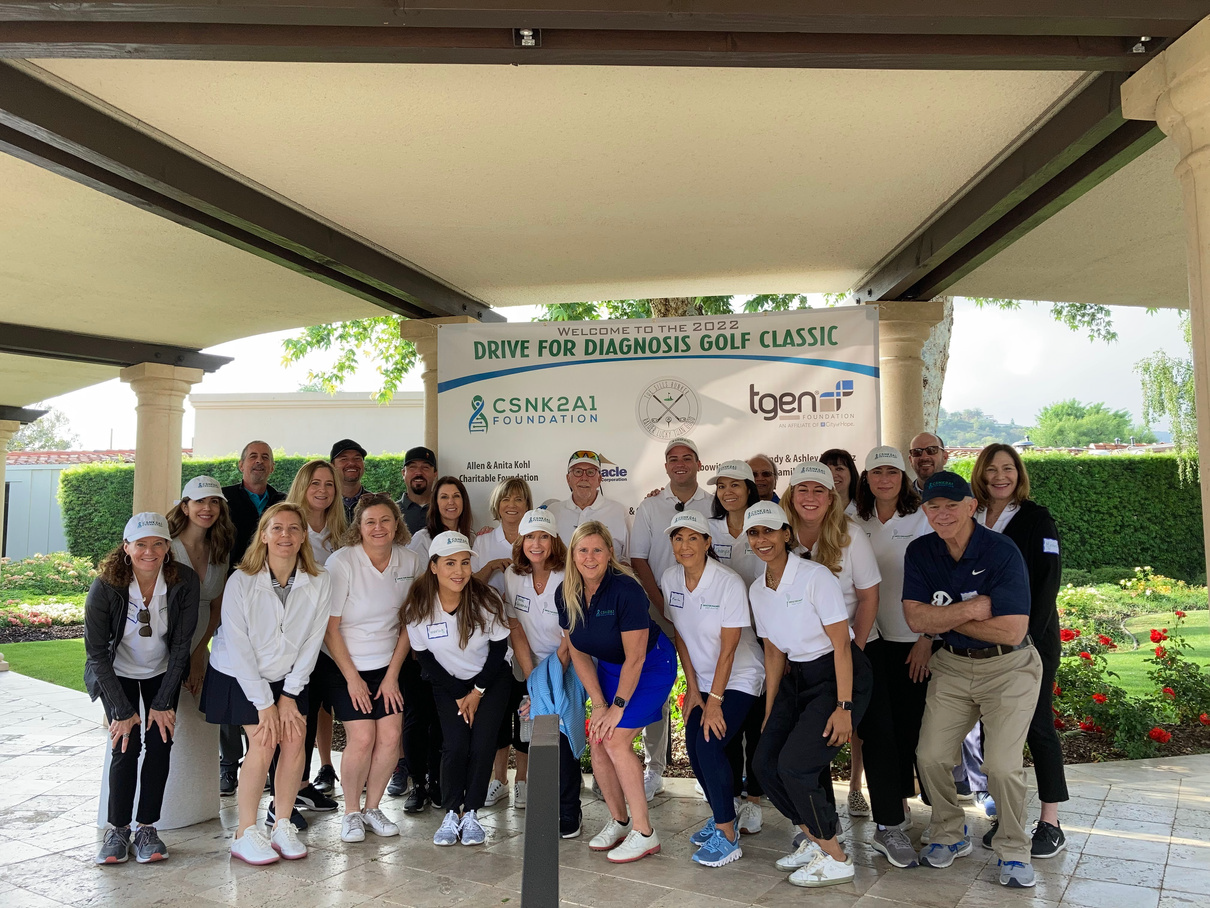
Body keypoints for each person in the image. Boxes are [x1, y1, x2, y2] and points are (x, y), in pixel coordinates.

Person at [903, 471, 1041, 889]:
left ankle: (1014, 850)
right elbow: (914, 618)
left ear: (969, 507)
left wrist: (942, 619)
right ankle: (950, 832)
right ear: (925, 511)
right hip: (953, 665)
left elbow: (1012, 631)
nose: (941, 515)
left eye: (950, 506)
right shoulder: (921, 551)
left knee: (1000, 765)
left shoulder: (1001, 551)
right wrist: (971, 610)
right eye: (933, 507)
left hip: (1010, 667)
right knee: (929, 756)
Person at [781, 462, 914, 867]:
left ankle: (889, 826)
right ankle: (822, 831)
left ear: (831, 497)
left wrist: (851, 648)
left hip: (858, 648)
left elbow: (868, 596)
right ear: (790, 496)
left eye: (818, 491)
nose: (809, 497)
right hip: (805, 660)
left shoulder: (851, 535)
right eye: (801, 489)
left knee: (878, 735)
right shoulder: (779, 536)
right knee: (814, 741)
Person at [745, 501, 872, 888]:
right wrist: (770, 712)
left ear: (787, 534)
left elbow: (842, 646)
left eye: (769, 530)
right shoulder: (756, 589)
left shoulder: (814, 577)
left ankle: (837, 858)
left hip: (835, 677)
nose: (762, 539)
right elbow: (772, 652)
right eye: (754, 532)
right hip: (793, 680)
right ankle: (817, 840)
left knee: (796, 766)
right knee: (765, 764)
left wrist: (844, 707)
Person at [201, 501, 331, 865]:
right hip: (240, 675)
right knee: (263, 739)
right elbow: (239, 646)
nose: (285, 535)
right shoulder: (240, 581)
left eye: (293, 528)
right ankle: (244, 833)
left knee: (293, 739)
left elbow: (312, 640)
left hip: (289, 676)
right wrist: (265, 703)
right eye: (277, 528)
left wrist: (289, 695)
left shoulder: (320, 581)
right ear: (263, 535)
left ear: (304, 536)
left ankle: (283, 825)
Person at [969, 444, 1069, 859]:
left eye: (1008, 468)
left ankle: (1051, 822)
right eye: (991, 469)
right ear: (981, 474)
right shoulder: (971, 516)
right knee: (995, 736)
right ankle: (1007, 819)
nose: (1000, 477)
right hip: (982, 642)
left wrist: (1024, 637)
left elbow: (1048, 582)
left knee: (1037, 727)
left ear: (1019, 473)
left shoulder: (1035, 518)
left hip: (1032, 641)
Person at [85, 513, 200, 865]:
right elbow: (95, 653)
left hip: (161, 671)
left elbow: (182, 646)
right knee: (126, 743)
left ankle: (147, 828)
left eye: (158, 543)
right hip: (116, 671)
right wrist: (121, 710)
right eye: (141, 544)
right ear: (126, 548)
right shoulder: (106, 586)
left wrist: (164, 702)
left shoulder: (185, 581)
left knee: (161, 743)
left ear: (168, 547)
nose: (149, 551)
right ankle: (117, 829)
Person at [559, 521, 676, 864]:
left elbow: (637, 656)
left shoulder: (626, 590)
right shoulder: (565, 592)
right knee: (598, 737)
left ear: (610, 553)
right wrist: (598, 703)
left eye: (598, 549)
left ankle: (645, 833)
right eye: (583, 550)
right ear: (573, 554)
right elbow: (578, 651)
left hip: (650, 665)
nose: (590, 557)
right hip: (611, 668)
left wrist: (617, 706)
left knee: (615, 739)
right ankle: (620, 821)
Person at [660, 511, 764, 868]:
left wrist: (715, 700)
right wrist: (693, 690)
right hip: (703, 679)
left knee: (708, 740)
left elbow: (730, 648)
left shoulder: (728, 582)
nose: (684, 545)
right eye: (677, 538)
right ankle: (724, 814)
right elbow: (681, 637)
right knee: (693, 743)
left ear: (707, 543)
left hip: (740, 676)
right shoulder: (670, 578)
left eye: (693, 538)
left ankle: (727, 836)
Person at [402, 531, 513, 847]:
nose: (459, 571)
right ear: (434, 566)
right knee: (455, 745)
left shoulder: (486, 599)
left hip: (490, 681)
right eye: (450, 563)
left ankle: (472, 813)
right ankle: (452, 812)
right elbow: (424, 656)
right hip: (448, 684)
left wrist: (476, 692)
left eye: (465, 562)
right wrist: (459, 693)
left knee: (481, 745)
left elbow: (497, 650)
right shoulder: (419, 607)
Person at [321, 494, 419, 843]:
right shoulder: (342, 562)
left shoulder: (410, 560)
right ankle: (351, 812)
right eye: (370, 522)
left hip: (389, 664)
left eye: (385, 521)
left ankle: (373, 807)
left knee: (391, 737)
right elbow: (331, 629)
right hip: (343, 665)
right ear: (358, 528)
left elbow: (411, 623)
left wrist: (393, 675)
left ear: (397, 525)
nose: (378, 528)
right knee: (362, 738)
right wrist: (353, 680)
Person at [852, 446, 934, 833]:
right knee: (881, 729)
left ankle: (936, 807)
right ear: (866, 478)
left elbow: (939, 580)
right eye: (877, 472)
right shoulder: (852, 519)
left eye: (893, 471)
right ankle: (896, 806)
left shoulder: (922, 517)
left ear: (904, 477)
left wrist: (927, 637)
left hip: (912, 639)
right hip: (870, 639)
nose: (884, 479)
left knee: (914, 724)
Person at [629, 437, 711, 800]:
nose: (679, 464)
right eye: (672, 459)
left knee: (708, 683)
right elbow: (638, 558)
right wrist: (659, 602)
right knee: (656, 689)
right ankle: (654, 769)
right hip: (658, 608)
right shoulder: (650, 507)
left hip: (705, 608)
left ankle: (709, 766)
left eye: (686, 458)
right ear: (665, 467)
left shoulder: (713, 503)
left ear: (697, 463)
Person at [395, 475, 477, 806]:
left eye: (456, 496)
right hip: (424, 645)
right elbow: (415, 590)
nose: (450, 502)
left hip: (459, 652)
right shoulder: (421, 539)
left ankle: (440, 783)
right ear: (435, 502)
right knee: (419, 718)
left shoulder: (474, 539)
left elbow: (470, 587)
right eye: (443, 496)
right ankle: (418, 785)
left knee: (446, 724)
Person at [504, 509, 584, 838]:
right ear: (520, 541)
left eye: (543, 537)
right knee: (536, 736)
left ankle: (569, 811)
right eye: (529, 537)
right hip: (529, 665)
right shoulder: (512, 575)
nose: (536, 543)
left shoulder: (569, 575)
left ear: (554, 541)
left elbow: (572, 632)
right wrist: (533, 678)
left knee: (561, 736)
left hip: (567, 663)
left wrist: (548, 682)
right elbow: (515, 626)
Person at [164, 477, 234, 828]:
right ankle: (161, 809)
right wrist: (182, 655)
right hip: (164, 644)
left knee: (196, 723)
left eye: (215, 502)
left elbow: (218, 608)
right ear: (185, 506)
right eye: (200, 502)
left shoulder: (220, 551)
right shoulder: (166, 547)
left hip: (201, 644)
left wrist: (199, 654)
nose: (207, 508)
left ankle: (194, 804)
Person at [220, 440, 285, 793]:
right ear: (241, 464)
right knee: (235, 673)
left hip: (275, 597)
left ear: (272, 466)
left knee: (268, 673)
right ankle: (229, 763)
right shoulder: (224, 500)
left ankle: (267, 766)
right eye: (253, 457)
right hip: (235, 595)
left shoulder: (283, 501)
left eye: (265, 458)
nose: (259, 463)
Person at [705, 460, 765, 831]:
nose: (728, 492)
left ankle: (754, 800)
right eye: (722, 486)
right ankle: (727, 803)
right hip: (724, 640)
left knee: (757, 727)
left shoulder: (764, 524)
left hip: (763, 635)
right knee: (725, 729)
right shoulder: (708, 529)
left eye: (736, 485)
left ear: (749, 489)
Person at [286, 459, 348, 798]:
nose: (323, 490)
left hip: (331, 640)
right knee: (297, 716)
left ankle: (304, 785)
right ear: (302, 487)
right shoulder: (288, 528)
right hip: (295, 640)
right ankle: (289, 790)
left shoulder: (342, 534)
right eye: (315, 483)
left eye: (329, 484)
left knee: (321, 710)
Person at [474, 477, 534, 809]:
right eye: (506, 499)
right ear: (497, 505)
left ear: (528, 506)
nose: (512, 505)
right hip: (491, 644)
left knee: (525, 714)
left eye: (519, 500)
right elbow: (466, 584)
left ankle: (522, 780)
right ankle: (498, 780)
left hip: (528, 640)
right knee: (496, 714)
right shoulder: (483, 541)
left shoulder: (535, 540)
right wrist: (491, 566)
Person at [545, 450, 631, 560]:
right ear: (568, 479)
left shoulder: (619, 511)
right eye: (578, 472)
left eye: (590, 472)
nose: (584, 477)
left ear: (599, 479)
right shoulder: (552, 512)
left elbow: (629, 559)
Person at [397, 446, 438, 535]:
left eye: (425, 467)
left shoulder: (443, 509)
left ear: (435, 474)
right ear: (403, 473)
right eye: (412, 467)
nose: (419, 472)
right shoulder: (392, 511)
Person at [332, 439, 374, 522]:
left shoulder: (375, 502)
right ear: (332, 466)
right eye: (344, 459)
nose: (351, 463)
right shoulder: (324, 503)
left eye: (357, 458)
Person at [819, 449, 860, 516]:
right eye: (827, 470)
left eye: (839, 469)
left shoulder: (865, 511)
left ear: (851, 473)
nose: (833, 475)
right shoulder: (815, 511)